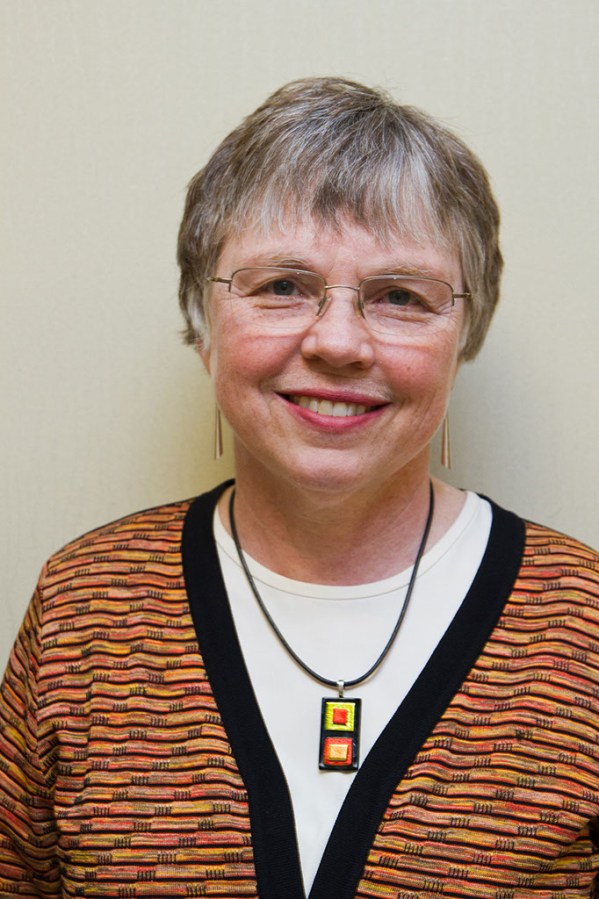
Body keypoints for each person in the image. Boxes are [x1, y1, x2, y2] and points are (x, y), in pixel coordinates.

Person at [1, 77, 598, 899]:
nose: (338, 342)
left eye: (400, 296)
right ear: (203, 326)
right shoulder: (87, 608)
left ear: (464, 334)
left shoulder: (581, 627)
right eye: (281, 285)